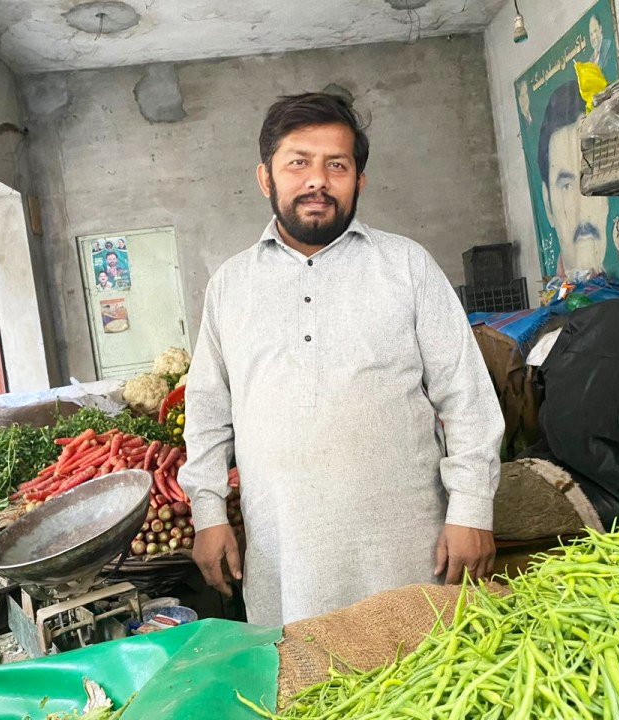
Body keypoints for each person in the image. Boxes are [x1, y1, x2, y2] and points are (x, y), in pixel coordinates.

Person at [178, 92, 505, 627]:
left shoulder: (406, 265)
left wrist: (471, 509)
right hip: (287, 564)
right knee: (309, 693)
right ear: (266, 178)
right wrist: (208, 514)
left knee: (421, 693)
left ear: (359, 180)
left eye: (337, 165)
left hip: (408, 557)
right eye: (298, 163)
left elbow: (465, 394)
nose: (318, 181)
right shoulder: (230, 286)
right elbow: (209, 410)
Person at [536, 80, 609, 276]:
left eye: (592, 178)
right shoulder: (557, 296)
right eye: (567, 186)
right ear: (548, 204)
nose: (582, 201)